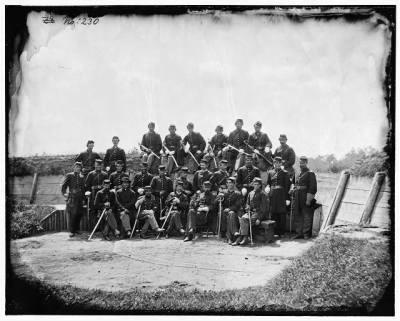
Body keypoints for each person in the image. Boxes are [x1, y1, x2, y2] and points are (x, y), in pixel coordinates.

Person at [234, 177, 269, 246]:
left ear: (260, 185)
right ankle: (244, 237)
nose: (255, 186)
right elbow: (247, 204)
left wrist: (259, 218)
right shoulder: (250, 193)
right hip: (250, 212)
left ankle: (242, 238)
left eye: (257, 184)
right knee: (242, 218)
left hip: (258, 213)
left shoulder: (263, 194)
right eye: (254, 184)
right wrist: (247, 208)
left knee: (244, 219)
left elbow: (264, 208)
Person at [291, 156, 317, 240]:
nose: (301, 164)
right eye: (300, 162)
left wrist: (309, 199)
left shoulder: (310, 173)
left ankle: (305, 234)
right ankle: (299, 233)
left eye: (302, 163)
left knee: (306, 215)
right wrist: (292, 190)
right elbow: (293, 183)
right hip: (297, 196)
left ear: (306, 163)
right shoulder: (297, 173)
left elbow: (312, 188)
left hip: (305, 196)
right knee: (297, 214)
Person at [265, 156, 291, 238]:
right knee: (273, 213)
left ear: (281, 163)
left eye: (278, 163)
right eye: (275, 162)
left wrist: (287, 198)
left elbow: (287, 186)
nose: (277, 164)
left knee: (282, 213)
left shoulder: (285, 173)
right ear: (273, 163)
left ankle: (282, 232)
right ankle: (274, 231)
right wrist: (268, 190)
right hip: (273, 195)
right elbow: (268, 184)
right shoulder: (270, 172)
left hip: (281, 195)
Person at [61, 162, 85, 237]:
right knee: (73, 214)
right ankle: (72, 231)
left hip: (80, 197)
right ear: (74, 167)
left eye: (79, 167)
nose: (78, 168)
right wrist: (64, 193)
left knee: (79, 214)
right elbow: (64, 186)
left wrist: (84, 198)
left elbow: (83, 188)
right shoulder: (69, 175)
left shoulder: (82, 176)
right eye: (76, 167)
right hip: (72, 197)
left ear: (80, 168)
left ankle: (77, 229)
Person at [216, 177, 242, 245]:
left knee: (231, 214)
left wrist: (230, 209)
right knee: (228, 215)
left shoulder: (238, 193)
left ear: (234, 184)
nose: (229, 184)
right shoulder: (223, 192)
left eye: (231, 183)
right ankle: (234, 232)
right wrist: (219, 197)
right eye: (228, 183)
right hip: (223, 212)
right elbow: (216, 203)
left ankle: (229, 238)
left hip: (234, 212)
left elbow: (237, 205)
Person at [85, 159, 108, 228]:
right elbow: (87, 185)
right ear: (94, 165)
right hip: (93, 194)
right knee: (92, 211)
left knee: (102, 210)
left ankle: (102, 227)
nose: (98, 166)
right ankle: (93, 228)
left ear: (102, 166)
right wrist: (88, 192)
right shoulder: (91, 174)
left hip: (102, 195)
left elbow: (107, 185)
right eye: (97, 165)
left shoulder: (105, 174)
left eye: (100, 165)